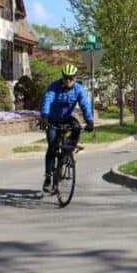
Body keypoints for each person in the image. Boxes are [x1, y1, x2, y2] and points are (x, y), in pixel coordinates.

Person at [39, 63, 94, 193]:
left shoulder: (78, 89)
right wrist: (44, 116)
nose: (68, 80)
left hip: (67, 118)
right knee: (52, 147)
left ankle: (69, 151)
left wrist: (90, 121)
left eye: (71, 78)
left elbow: (85, 105)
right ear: (62, 77)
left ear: (75, 78)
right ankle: (48, 177)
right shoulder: (55, 86)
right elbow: (47, 100)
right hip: (52, 119)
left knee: (76, 127)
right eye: (65, 78)